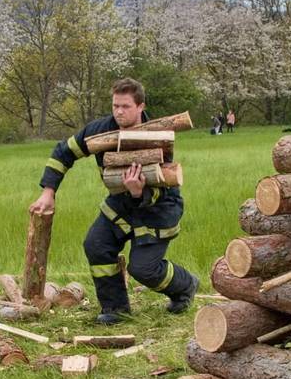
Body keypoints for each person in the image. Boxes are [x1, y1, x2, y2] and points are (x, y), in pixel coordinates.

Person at [28, 77, 198, 324]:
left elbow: (165, 183)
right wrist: (48, 191)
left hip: (158, 208)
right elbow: (63, 152)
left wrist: (140, 192)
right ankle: (115, 309)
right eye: (115, 105)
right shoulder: (99, 131)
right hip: (120, 204)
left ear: (140, 106)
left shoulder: (157, 136)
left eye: (126, 106)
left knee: (143, 269)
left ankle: (185, 285)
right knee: (96, 244)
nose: (119, 111)